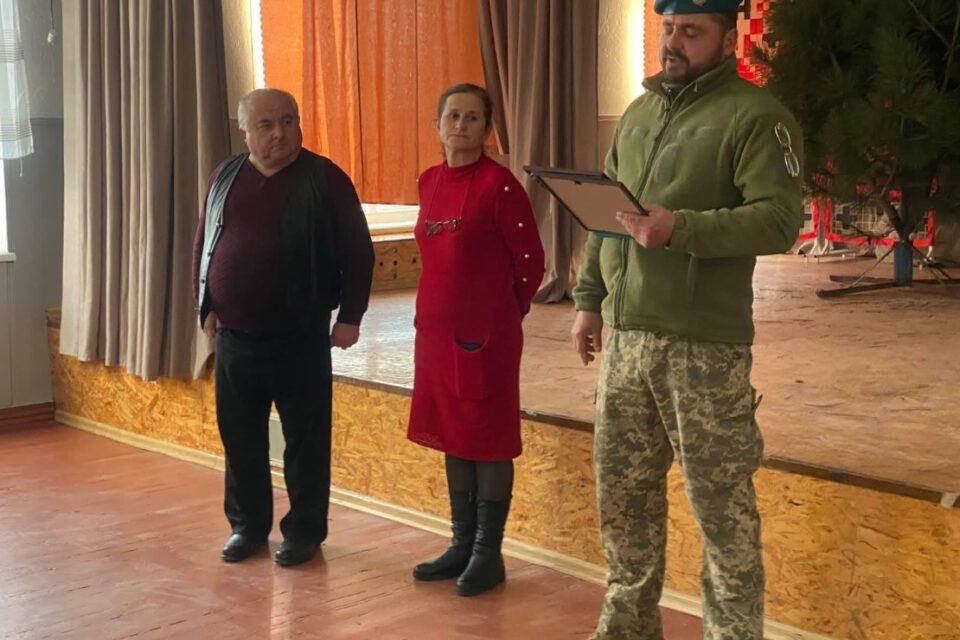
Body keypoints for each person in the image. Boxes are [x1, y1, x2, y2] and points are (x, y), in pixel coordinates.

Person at [570, 1, 804, 637]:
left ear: (728, 39)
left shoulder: (757, 117)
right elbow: (606, 215)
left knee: (722, 513)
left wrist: (681, 228)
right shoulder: (640, 113)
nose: (673, 42)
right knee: (623, 501)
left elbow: (780, 221)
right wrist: (588, 299)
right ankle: (626, 628)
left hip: (703, 350)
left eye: (691, 32)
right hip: (626, 342)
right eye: (668, 28)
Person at [192, 88, 374, 567]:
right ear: (245, 131)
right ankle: (247, 528)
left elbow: (359, 250)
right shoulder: (225, 175)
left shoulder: (325, 178)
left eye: (288, 121)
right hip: (235, 338)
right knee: (241, 440)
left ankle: (304, 533)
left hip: (301, 337)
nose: (280, 133)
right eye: (267, 124)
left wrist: (350, 316)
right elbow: (205, 240)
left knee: (305, 444)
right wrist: (204, 304)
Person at [407, 83, 545, 597]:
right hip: (435, 337)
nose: (460, 125)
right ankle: (461, 543)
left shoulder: (499, 186)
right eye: (453, 116)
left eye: (471, 118)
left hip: (485, 338)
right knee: (454, 434)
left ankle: (489, 553)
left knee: (486, 440)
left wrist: (503, 313)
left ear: (486, 129)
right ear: (437, 124)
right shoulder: (428, 181)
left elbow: (530, 262)